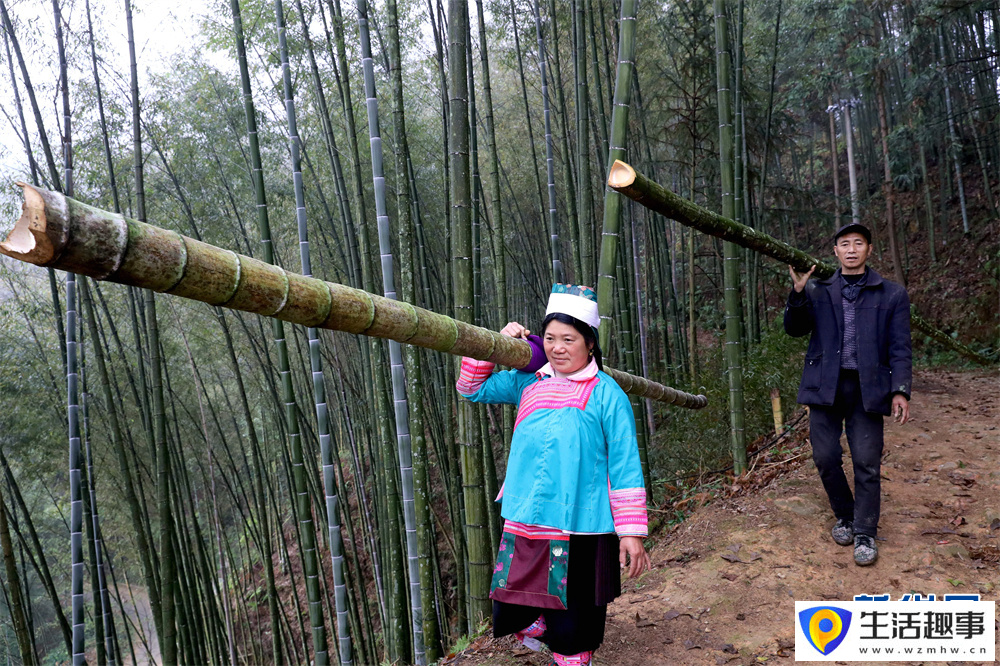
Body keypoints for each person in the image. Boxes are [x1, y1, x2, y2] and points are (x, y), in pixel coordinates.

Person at [456, 283, 650, 666]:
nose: (557, 347)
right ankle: (541, 630)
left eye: (568, 339)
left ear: (590, 343)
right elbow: (470, 389)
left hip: (583, 523)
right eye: (549, 338)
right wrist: (496, 345)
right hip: (526, 517)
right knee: (512, 607)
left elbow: (624, 464)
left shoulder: (607, 394)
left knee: (575, 616)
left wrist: (631, 533)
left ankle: (573, 656)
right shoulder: (528, 381)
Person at [784, 223, 912, 566]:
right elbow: (795, 330)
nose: (852, 249)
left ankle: (866, 532)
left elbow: (900, 348)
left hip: (869, 388)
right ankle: (846, 516)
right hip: (825, 386)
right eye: (845, 244)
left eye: (858, 243)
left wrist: (900, 391)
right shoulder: (818, 290)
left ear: (869, 249)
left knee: (867, 461)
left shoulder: (892, 294)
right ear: (836, 252)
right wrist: (797, 295)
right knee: (825, 457)